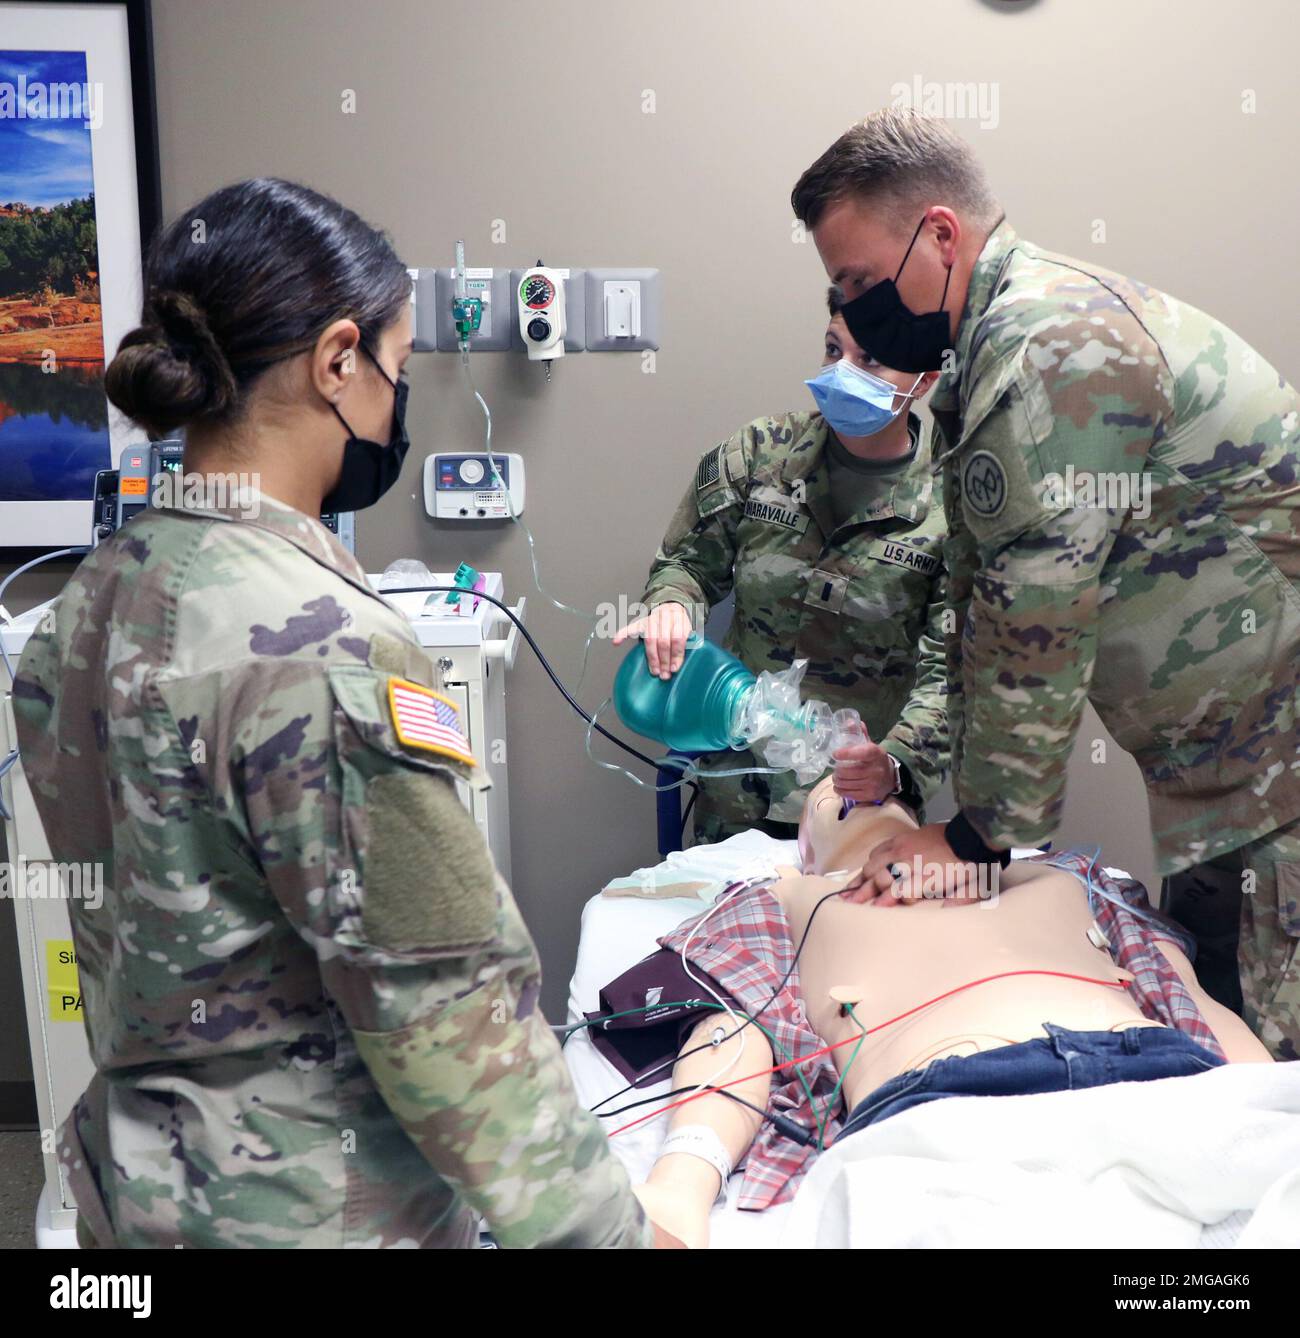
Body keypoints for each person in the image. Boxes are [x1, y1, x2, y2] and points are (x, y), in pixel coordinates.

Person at [11, 178, 667, 1249]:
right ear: (336, 361)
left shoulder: (83, 608)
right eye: (398, 374)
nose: (394, 408)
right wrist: (610, 1236)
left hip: (131, 1199)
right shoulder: (327, 649)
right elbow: (443, 1011)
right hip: (312, 1210)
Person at [788, 108, 1300, 1060]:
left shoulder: (1049, 345)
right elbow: (983, 603)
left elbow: (1038, 612)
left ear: (939, 236)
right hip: (1226, 773)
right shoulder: (986, 355)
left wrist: (979, 839)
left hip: (1280, 773)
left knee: (1273, 1094)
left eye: (859, 280)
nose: (853, 309)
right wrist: (934, 797)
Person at [629, 779, 1273, 1249]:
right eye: (828, 793)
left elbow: (1182, 993)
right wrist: (681, 1186)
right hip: (950, 1106)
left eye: (881, 786)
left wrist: (1270, 1106)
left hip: (1158, 1077)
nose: (854, 790)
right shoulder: (787, 897)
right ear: (805, 848)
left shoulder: (1068, 871)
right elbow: (731, 1028)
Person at [615, 290, 949, 844]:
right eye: (832, 349)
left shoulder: (951, 507)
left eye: (869, 360)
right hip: (734, 794)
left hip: (858, 808)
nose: (842, 373)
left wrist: (894, 765)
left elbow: (951, 676)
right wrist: (671, 604)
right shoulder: (758, 454)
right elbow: (685, 563)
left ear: (925, 378)